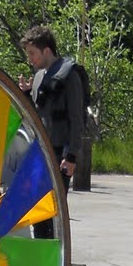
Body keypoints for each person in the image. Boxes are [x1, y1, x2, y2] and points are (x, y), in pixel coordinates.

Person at [18, 25, 85, 239]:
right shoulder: (39, 77)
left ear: (46, 50)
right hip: (41, 152)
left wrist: (72, 155)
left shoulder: (70, 75)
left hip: (60, 154)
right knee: (38, 211)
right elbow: (36, 117)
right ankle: (41, 252)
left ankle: (57, 254)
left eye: (32, 53)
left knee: (54, 212)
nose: (30, 59)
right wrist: (26, 95)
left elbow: (77, 118)